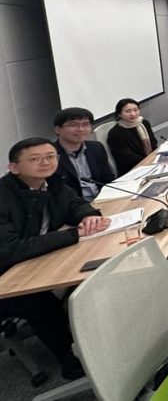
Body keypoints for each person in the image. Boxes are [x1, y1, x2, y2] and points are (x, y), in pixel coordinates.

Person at [0, 137, 109, 380]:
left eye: (50, 157)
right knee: (39, 302)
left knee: (94, 270)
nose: (45, 163)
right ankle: (69, 360)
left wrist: (88, 215)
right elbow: (10, 249)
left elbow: (76, 204)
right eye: (35, 159)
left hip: (36, 258)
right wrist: (73, 234)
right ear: (14, 167)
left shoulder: (53, 183)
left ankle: (100, 334)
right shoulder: (4, 196)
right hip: (6, 278)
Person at [52, 107, 115, 201]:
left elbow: (108, 178)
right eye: (73, 125)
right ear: (58, 130)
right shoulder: (50, 155)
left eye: (86, 124)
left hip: (102, 199)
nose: (81, 129)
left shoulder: (96, 147)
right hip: (75, 205)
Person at [107, 98, 159, 176]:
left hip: (151, 161)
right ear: (119, 114)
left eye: (135, 110)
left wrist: (157, 158)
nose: (133, 114)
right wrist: (150, 161)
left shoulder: (144, 123)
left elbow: (153, 144)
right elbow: (127, 158)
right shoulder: (115, 133)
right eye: (128, 111)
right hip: (132, 169)